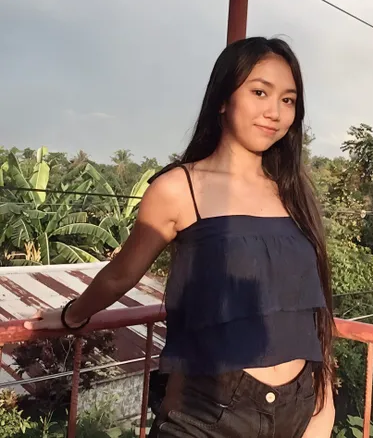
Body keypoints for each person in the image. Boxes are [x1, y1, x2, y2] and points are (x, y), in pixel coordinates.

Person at [24, 37, 336, 438]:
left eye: (289, 100)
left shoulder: (293, 192)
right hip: (210, 414)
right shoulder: (178, 189)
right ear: (223, 99)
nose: (274, 112)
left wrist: (323, 404)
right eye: (260, 92)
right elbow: (122, 274)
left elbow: (314, 306)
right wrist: (73, 314)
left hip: (299, 411)